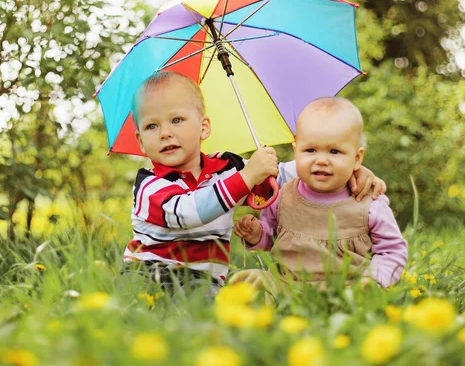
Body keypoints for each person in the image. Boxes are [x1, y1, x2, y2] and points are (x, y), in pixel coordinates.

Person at [124, 72, 386, 297]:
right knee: (136, 299)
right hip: (149, 270)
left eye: (177, 120)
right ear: (140, 141)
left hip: (205, 280)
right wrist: (248, 176)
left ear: (203, 128)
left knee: (214, 305)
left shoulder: (226, 167)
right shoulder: (150, 184)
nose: (165, 132)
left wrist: (348, 169)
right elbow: (189, 212)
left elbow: (283, 174)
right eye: (151, 126)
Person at [233, 97, 407, 292]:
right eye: (310, 150)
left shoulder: (369, 203)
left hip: (348, 289)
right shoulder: (283, 197)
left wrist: (373, 280)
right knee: (253, 282)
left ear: (357, 158)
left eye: (334, 151)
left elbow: (392, 250)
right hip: (288, 285)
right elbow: (272, 238)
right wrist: (257, 234)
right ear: (296, 150)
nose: (321, 160)